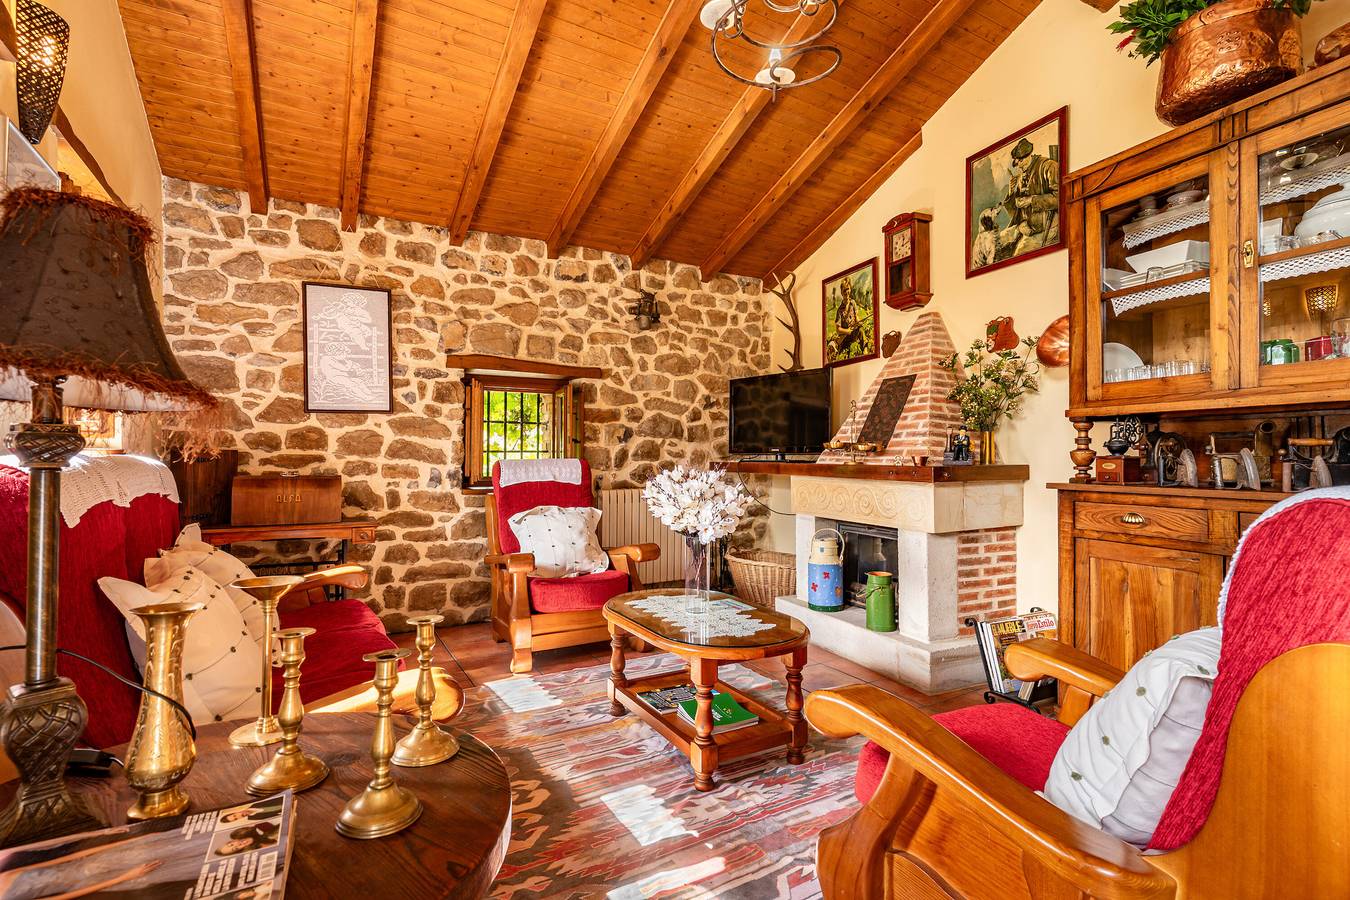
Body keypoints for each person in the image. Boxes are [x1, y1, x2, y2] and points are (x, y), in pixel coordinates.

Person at [1000, 136, 1060, 257]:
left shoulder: (1048, 166)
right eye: (1017, 164)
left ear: (1028, 155)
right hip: (1025, 227)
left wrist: (1032, 200)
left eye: (1020, 162)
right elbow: (1013, 213)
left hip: (1045, 228)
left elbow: (1059, 198)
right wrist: (1012, 193)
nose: (1019, 167)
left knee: (1017, 256)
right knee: (998, 242)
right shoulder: (1022, 176)